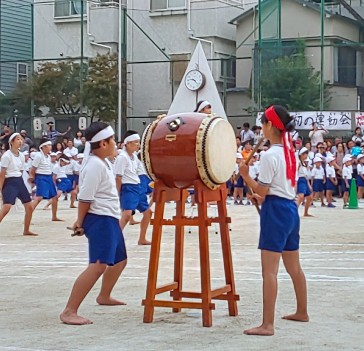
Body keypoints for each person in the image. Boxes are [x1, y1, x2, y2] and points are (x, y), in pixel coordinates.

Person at [239, 105, 308, 336]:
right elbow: (278, 188)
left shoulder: (270, 155)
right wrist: (259, 193)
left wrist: (246, 176)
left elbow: (265, 189)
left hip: (276, 211)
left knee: (269, 271)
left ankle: (267, 324)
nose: (261, 129)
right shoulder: (290, 153)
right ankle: (302, 311)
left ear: (270, 126)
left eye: (263, 124)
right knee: (294, 267)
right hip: (289, 209)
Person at [60, 122, 127, 325]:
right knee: (98, 265)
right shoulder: (94, 165)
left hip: (109, 217)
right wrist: (80, 222)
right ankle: (69, 311)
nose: (116, 144)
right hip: (100, 218)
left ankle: (104, 296)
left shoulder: (104, 161)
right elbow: (85, 198)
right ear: (104, 143)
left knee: (120, 260)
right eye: (113, 140)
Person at [115, 131, 152, 245]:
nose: (138, 144)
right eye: (136, 142)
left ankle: (142, 238)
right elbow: (118, 177)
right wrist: (117, 193)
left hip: (137, 186)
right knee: (126, 215)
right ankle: (114, 239)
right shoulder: (122, 157)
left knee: (148, 212)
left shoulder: (134, 157)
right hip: (128, 188)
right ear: (128, 143)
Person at [0, 133, 37, 236]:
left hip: (19, 181)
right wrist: (1, 189)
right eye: (17, 139)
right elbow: (2, 174)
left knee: (29, 206)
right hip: (9, 182)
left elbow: (20, 171)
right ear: (11, 142)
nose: (20, 141)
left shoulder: (21, 156)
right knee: (6, 207)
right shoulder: (7, 155)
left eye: (21, 139)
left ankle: (26, 230)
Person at [29, 137, 61, 221]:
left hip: (49, 176)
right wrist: (32, 179)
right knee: (39, 197)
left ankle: (54, 216)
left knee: (54, 197)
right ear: (43, 147)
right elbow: (33, 169)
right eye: (48, 145)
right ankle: (28, 215)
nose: (50, 147)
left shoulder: (48, 156)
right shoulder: (38, 156)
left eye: (50, 145)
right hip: (41, 177)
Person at [296, 147, 313, 217]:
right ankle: (293, 212)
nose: (306, 155)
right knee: (300, 197)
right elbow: (295, 173)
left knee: (310, 197)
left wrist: (309, 185)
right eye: (305, 154)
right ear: (301, 155)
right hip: (300, 179)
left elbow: (306, 175)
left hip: (305, 180)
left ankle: (306, 212)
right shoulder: (298, 163)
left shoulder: (304, 164)